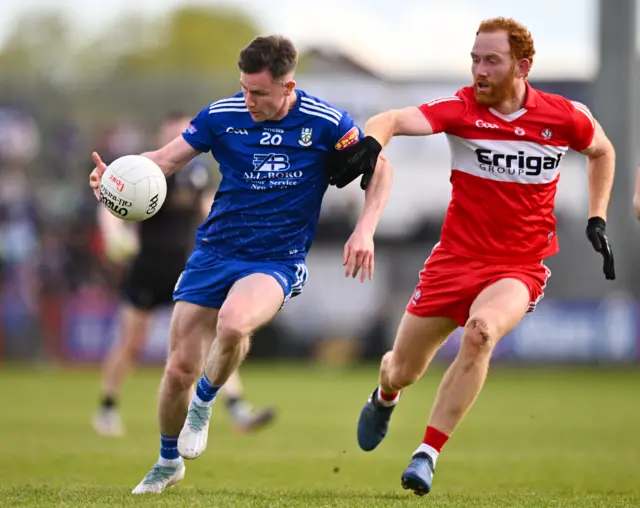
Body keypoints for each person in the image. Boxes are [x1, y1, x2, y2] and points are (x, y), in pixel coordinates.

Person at [88, 35, 392, 494]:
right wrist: (114, 178)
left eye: (260, 93)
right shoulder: (222, 115)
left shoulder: (326, 122)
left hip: (276, 260)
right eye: (244, 89)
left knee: (233, 325)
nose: (248, 100)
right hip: (213, 252)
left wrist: (365, 227)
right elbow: (164, 160)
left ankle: (204, 406)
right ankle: (168, 462)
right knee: (177, 371)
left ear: (288, 86)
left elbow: (380, 169)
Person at [331, 17, 616, 496]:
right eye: (474, 59)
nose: (479, 70)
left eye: (491, 61)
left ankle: (427, 454)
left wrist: (597, 216)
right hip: (453, 262)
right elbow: (395, 118)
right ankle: (385, 394)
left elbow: (602, 151)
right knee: (403, 369)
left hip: (518, 267)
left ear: (523, 66)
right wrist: (372, 142)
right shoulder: (462, 109)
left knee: (481, 334)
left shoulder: (565, 116)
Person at [92, 112, 276, 438]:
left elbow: (207, 208)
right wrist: (112, 233)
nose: (185, 141)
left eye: (187, 134)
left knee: (213, 336)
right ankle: (107, 407)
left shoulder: (199, 173)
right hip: (147, 268)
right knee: (130, 343)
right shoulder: (146, 171)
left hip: (186, 267)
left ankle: (237, 409)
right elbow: (111, 199)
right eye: (176, 134)